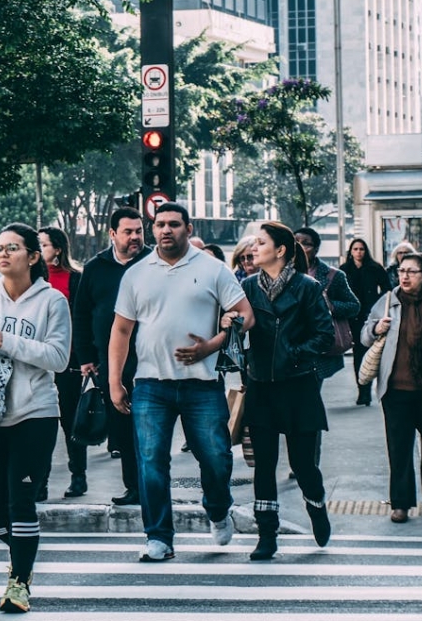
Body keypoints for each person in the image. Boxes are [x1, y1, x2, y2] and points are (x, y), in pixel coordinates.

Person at [108, 202, 254, 562]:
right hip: (150, 385)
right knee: (151, 462)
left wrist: (213, 345)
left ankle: (218, 509)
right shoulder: (136, 274)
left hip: (201, 385)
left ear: (188, 228)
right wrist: (114, 381)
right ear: (153, 229)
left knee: (217, 459)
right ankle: (158, 537)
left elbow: (246, 315)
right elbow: (121, 331)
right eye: (159, 224)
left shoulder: (213, 269)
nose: (165, 230)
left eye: (174, 224)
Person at [0, 223, 71, 613]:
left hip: (36, 412)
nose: (3, 253)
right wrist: (15, 346)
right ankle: (24, 550)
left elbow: (58, 358)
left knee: (21, 500)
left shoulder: (52, 302)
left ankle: (19, 581)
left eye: (13, 247)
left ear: (32, 256)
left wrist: (8, 342)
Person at [226, 222, 333, 560]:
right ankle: (267, 534)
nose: (253, 249)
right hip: (260, 385)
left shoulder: (308, 287)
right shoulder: (247, 288)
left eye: (261, 243)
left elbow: (325, 335)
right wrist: (231, 328)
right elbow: (235, 337)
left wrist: (294, 354)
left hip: (299, 384)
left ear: (281, 249)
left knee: (303, 465)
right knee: (264, 465)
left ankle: (316, 506)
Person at [360, 252, 422, 524]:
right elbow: (364, 335)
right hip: (396, 390)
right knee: (399, 448)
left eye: (411, 272)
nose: (404, 276)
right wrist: (377, 327)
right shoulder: (388, 302)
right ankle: (401, 503)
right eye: (401, 271)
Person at [74, 207, 153, 507]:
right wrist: (86, 357)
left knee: (149, 427)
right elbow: (81, 314)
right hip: (111, 363)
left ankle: (152, 488)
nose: (135, 237)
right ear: (112, 234)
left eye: (139, 231)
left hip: (150, 358)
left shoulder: (153, 262)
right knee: (121, 428)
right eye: (128, 232)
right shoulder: (96, 267)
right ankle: (133, 487)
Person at [38, 225, 87, 500]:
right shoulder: (32, 281)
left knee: (71, 424)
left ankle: (78, 476)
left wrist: (85, 361)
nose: (39, 249)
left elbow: (81, 323)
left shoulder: (75, 279)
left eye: (43, 244)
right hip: (38, 364)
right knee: (40, 425)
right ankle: (40, 482)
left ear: (57, 248)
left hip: (68, 364)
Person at [295, 227, 360, 383]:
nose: (299, 247)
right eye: (295, 242)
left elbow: (354, 305)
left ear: (316, 249)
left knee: (309, 396)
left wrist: (331, 306)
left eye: (306, 243)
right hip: (290, 345)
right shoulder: (282, 273)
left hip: (317, 345)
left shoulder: (333, 275)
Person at [341, 237, 391, 406]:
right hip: (352, 317)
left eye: (361, 249)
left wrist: (377, 302)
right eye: (355, 249)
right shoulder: (345, 269)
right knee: (358, 354)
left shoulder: (374, 268)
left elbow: (387, 289)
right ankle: (362, 389)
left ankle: (368, 389)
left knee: (370, 352)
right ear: (351, 251)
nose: (359, 252)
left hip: (371, 315)